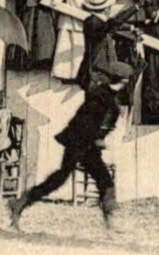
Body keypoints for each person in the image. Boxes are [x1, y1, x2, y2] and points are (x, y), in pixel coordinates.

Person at [8, 54, 136, 232]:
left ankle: (20, 203)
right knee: (89, 180)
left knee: (92, 179)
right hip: (80, 143)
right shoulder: (100, 96)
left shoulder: (107, 96)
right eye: (126, 80)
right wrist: (96, 138)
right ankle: (19, 203)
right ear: (122, 80)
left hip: (85, 144)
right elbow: (86, 121)